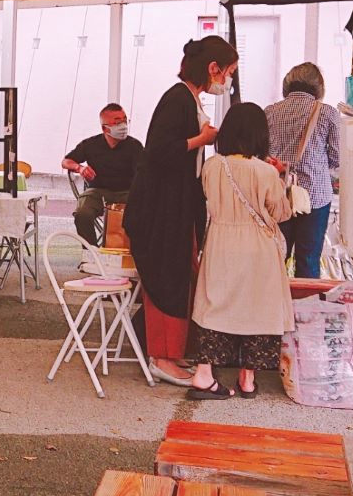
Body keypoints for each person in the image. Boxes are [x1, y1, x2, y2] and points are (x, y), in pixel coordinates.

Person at [123, 35, 237, 385]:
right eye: (228, 72)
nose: (227, 81)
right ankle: (161, 356)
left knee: (178, 277)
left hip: (176, 209)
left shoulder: (189, 100)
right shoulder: (177, 99)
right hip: (161, 212)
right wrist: (201, 141)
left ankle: (170, 352)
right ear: (213, 68)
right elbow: (159, 150)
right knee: (166, 280)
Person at [187, 103, 295, 399]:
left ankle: (203, 374)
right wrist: (281, 177)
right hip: (258, 247)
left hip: (221, 241)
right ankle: (248, 380)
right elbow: (280, 212)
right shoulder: (265, 172)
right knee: (258, 308)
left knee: (214, 305)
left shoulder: (212, 166)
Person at [266, 63, 340, 278]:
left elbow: (263, 153)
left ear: (288, 84)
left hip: (278, 194)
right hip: (315, 197)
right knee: (308, 259)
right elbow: (337, 158)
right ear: (319, 87)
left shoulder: (270, 111)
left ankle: (275, 306)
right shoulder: (327, 113)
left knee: (277, 256)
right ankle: (307, 307)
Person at [61, 103, 142, 246]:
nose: (123, 125)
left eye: (125, 120)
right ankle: (92, 256)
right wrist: (79, 168)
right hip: (98, 192)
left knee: (144, 210)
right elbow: (66, 161)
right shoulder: (91, 144)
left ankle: (134, 255)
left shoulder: (134, 146)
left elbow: (144, 172)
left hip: (127, 193)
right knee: (82, 214)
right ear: (105, 128)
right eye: (117, 122)